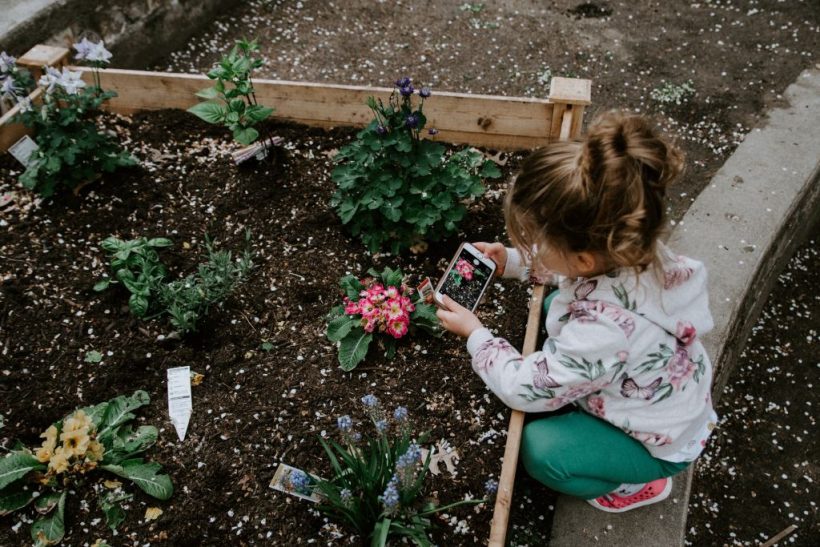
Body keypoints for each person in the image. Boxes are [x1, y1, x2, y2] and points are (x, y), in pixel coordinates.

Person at [435, 111, 717, 513]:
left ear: (583, 258)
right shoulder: (638, 251)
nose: (530, 243)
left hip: (655, 441)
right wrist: (513, 262)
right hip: (662, 394)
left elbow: (523, 389)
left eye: (535, 239)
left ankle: (632, 485)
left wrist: (477, 335)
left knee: (541, 450)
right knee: (555, 305)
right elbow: (573, 272)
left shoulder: (601, 333)